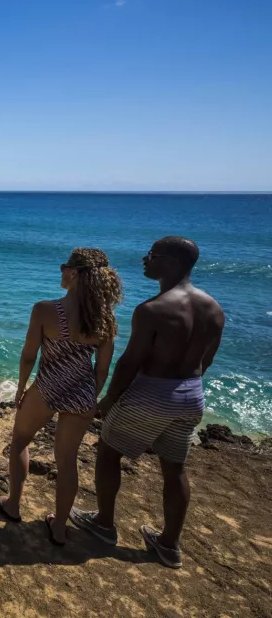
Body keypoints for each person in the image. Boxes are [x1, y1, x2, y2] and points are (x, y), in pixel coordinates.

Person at [70, 237, 224, 569]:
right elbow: (206, 361)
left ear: (171, 262)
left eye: (151, 255)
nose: (143, 259)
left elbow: (129, 363)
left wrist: (108, 399)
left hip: (151, 393)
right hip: (191, 394)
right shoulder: (214, 309)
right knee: (175, 468)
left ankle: (104, 524)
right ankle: (169, 545)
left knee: (109, 452)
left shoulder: (152, 310)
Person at [0, 248, 122, 546]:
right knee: (67, 460)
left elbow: (28, 356)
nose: (61, 271)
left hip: (47, 388)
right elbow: (102, 369)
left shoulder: (46, 310)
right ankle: (59, 527)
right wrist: (90, 397)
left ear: (74, 273)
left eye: (64, 267)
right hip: (82, 392)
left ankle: (13, 504)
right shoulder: (106, 320)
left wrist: (21, 388)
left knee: (20, 440)